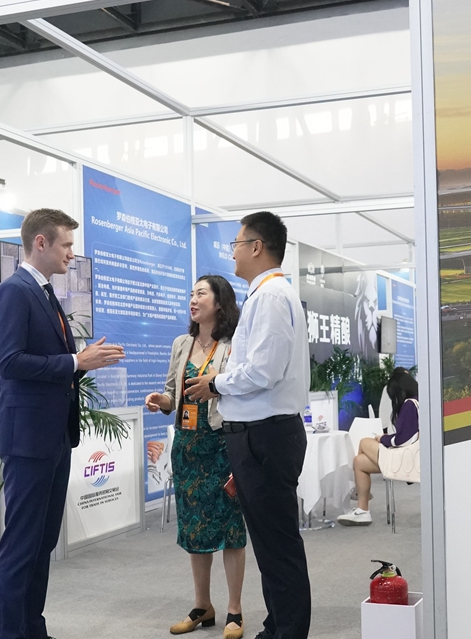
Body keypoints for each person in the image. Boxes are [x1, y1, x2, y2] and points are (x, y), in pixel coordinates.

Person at [0, 208, 125, 639]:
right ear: (40, 243)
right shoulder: (13, 292)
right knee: (22, 545)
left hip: (52, 436)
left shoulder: (44, 293)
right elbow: (9, 363)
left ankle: (32, 629)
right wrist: (74, 361)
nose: (71, 252)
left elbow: (49, 365)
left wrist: (80, 363)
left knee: (42, 543)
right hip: (28, 439)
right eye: (65, 244)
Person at [184, 212, 311, 639]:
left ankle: (287, 632)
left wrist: (215, 383)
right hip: (257, 435)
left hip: (266, 436)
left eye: (237, 244)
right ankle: (278, 627)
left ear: (257, 247)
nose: (233, 252)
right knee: (272, 546)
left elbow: (263, 371)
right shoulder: (266, 295)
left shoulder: (272, 296)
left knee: (278, 546)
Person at [146, 275, 247, 639]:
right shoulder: (181, 344)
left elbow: (238, 392)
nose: (193, 299)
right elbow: (174, 396)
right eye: (191, 293)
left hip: (221, 446)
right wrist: (162, 402)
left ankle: (234, 609)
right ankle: (202, 605)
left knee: (230, 528)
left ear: (219, 302)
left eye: (200, 293)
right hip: (188, 447)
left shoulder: (233, 344)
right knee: (194, 527)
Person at [337, 369, 420, 526]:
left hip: (405, 458)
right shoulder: (419, 401)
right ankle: (362, 510)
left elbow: (404, 439)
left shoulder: (410, 404)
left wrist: (384, 439)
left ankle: (357, 491)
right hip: (409, 457)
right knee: (359, 462)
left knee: (364, 442)